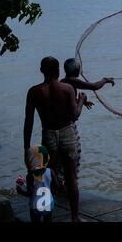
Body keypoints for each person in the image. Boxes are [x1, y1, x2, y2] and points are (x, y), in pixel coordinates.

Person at [23, 56, 86, 222]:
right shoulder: (67, 89)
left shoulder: (34, 91)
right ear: (58, 71)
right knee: (71, 177)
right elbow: (75, 115)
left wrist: (26, 148)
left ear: (41, 71)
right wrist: (81, 101)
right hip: (67, 133)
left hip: (49, 134)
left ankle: (48, 215)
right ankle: (75, 217)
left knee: (48, 176)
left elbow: (28, 121)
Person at [58, 58, 114, 180]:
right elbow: (94, 86)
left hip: (59, 125)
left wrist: (80, 101)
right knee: (72, 164)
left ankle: (60, 184)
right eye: (79, 69)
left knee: (60, 164)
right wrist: (105, 80)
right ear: (77, 71)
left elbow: (67, 103)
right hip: (68, 127)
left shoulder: (63, 81)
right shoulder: (72, 82)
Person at [17, 145, 60, 222]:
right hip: (48, 204)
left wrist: (20, 191)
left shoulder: (30, 176)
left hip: (35, 206)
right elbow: (57, 186)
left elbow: (29, 193)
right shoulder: (50, 171)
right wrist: (51, 193)